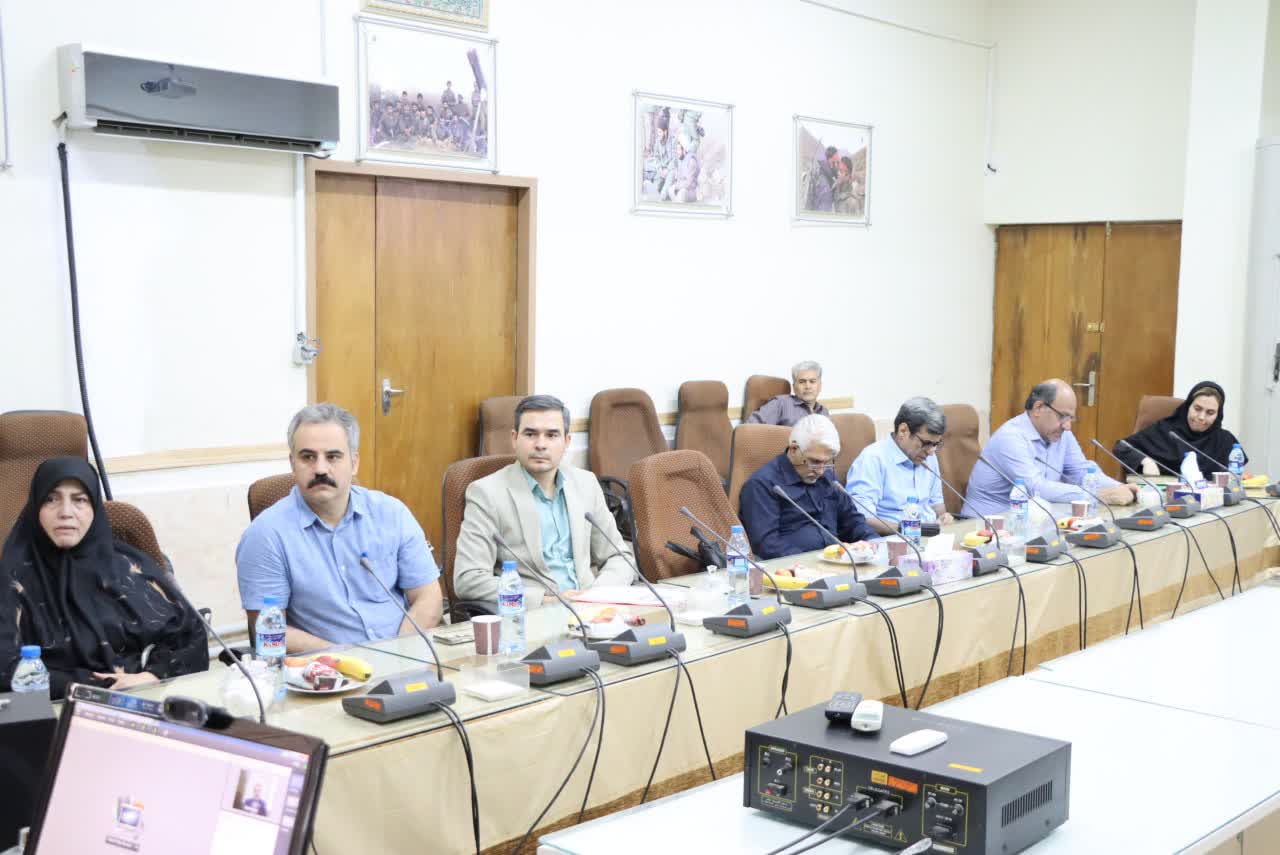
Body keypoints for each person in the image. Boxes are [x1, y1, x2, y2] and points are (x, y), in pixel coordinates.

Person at [236, 403, 444, 651]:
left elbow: (429, 597)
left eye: (333, 456)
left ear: (354, 463)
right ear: (292, 463)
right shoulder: (266, 535)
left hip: (406, 656)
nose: (320, 469)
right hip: (327, 669)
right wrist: (350, 659)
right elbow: (269, 630)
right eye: (307, 457)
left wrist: (397, 654)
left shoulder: (391, 513)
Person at [0, 457, 208, 699]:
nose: (65, 512)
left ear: (95, 508)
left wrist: (151, 676)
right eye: (51, 499)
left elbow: (190, 637)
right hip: (54, 710)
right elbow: (6, 669)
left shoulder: (130, 567)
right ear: (36, 507)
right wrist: (97, 687)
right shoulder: (12, 580)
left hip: (146, 699)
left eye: (79, 500)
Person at [453, 395, 637, 604]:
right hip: (532, 614)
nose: (540, 444)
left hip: (591, 609)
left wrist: (597, 594)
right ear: (514, 438)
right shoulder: (487, 493)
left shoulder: (586, 483)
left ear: (567, 442)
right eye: (530, 434)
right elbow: (468, 579)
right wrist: (546, 601)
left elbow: (619, 557)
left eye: (551, 435)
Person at [964, 379, 1138, 518]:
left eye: (1071, 418)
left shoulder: (1061, 434)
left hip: (1033, 519)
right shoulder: (1010, 437)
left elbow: (1081, 472)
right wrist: (1097, 495)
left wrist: (1121, 488)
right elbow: (1036, 488)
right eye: (1063, 416)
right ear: (1038, 408)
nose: (1067, 426)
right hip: (986, 524)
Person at [739, 415, 877, 559]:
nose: (821, 471)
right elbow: (767, 545)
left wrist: (873, 542)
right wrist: (813, 563)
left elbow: (853, 521)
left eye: (826, 462)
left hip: (837, 561)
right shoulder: (763, 484)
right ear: (793, 449)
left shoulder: (828, 479)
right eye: (815, 461)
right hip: (794, 566)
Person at [846, 397, 955, 533]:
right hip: (894, 538)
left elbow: (936, 505)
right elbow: (863, 518)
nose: (931, 452)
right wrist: (912, 530)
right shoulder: (872, 459)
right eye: (926, 443)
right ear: (903, 431)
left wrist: (944, 518)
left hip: (931, 536)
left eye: (936, 444)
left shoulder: (928, 456)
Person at [1113, 381, 1245, 479]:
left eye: (1210, 413)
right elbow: (1121, 447)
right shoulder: (1165, 431)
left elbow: (1238, 475)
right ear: (1188, 406)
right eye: (1197, 409)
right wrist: (1145, 461)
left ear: (1218, 415)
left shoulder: (1225, 441)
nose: (1201, 417)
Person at [746, 361, 829, 426]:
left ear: (820, 386)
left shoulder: (823, 412)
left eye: (812, 381)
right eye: (802, 382)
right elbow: (750, 427)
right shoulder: (781, 403)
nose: (807, 386)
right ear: (794, 387)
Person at [805, 146, 839, 212]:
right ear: (834, 156)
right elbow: (824, 199)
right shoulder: (822, 176)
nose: (838, 156)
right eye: (837, 154)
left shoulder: (829, 171)